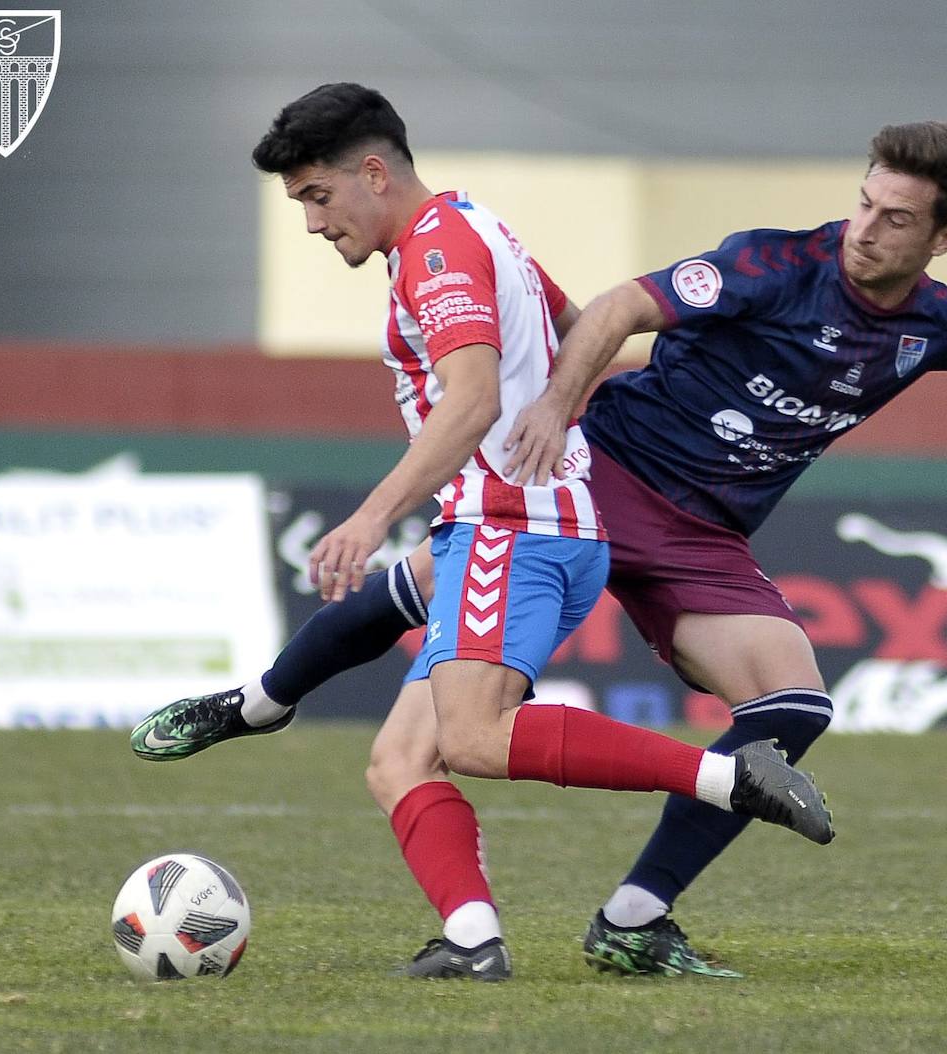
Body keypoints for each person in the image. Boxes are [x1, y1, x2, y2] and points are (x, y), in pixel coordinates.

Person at [136, 116, 947, 978]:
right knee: (434, 597)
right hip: (608, 473)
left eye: (896, 218)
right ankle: (258, 701)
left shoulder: (935, 322)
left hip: (706, 539)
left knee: (794, 710)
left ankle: (632, 920)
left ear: (944, 236)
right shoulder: (776, 263)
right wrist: (554, 415)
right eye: (864, 203)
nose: (866, 227)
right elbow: (619, 305)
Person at [130, 82, 833, 983]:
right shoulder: (480, 228)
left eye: (316, 196)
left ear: (373, 173)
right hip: (521, 522)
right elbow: (576, 333)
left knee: (472, 738)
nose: (311, 222)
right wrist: (560, 421)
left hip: (513, 526)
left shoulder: (438, 252)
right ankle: (471, 941)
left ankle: (731, 779)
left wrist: (374, 514)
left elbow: (471, 398)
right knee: (399, 760)